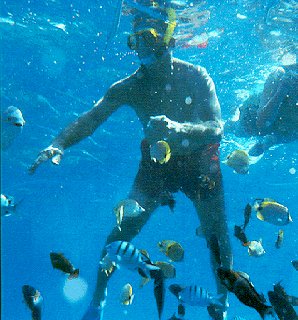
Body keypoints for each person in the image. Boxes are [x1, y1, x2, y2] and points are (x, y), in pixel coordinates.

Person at [30, 4, 232, 320]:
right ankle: (96, 303)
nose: (144, 47)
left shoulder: (196, 76)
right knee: (120, 236)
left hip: (199, 162)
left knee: (216, 235)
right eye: (137, 40)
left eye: (151, 37)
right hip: (156, 164)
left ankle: (222, 302)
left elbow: (216, 129)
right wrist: (59, 144)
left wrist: (179, 130)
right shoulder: (128, 86)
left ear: (171, 41)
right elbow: (91, 118)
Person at [225, 63, 298, 156]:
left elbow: (292, 134)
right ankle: (224, 126)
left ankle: (268, 142)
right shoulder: (279, 75)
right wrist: (282, 90)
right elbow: (262, 121)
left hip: (276, 124)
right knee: (240, 130)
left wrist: (269, 142)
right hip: (254, 114)